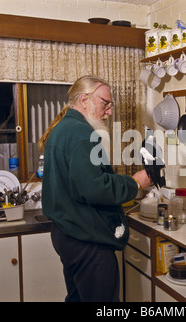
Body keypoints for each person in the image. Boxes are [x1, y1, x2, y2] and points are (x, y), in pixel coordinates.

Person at [38, 75, 151, 302]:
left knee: (78, 298)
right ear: (84, 100)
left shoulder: (64, 128)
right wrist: (135, 182)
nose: (109, 111)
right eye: (105, 103)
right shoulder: (81, 134)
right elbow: (93, 188)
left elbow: (83, 180)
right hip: (87, 240)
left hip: (67, 234)